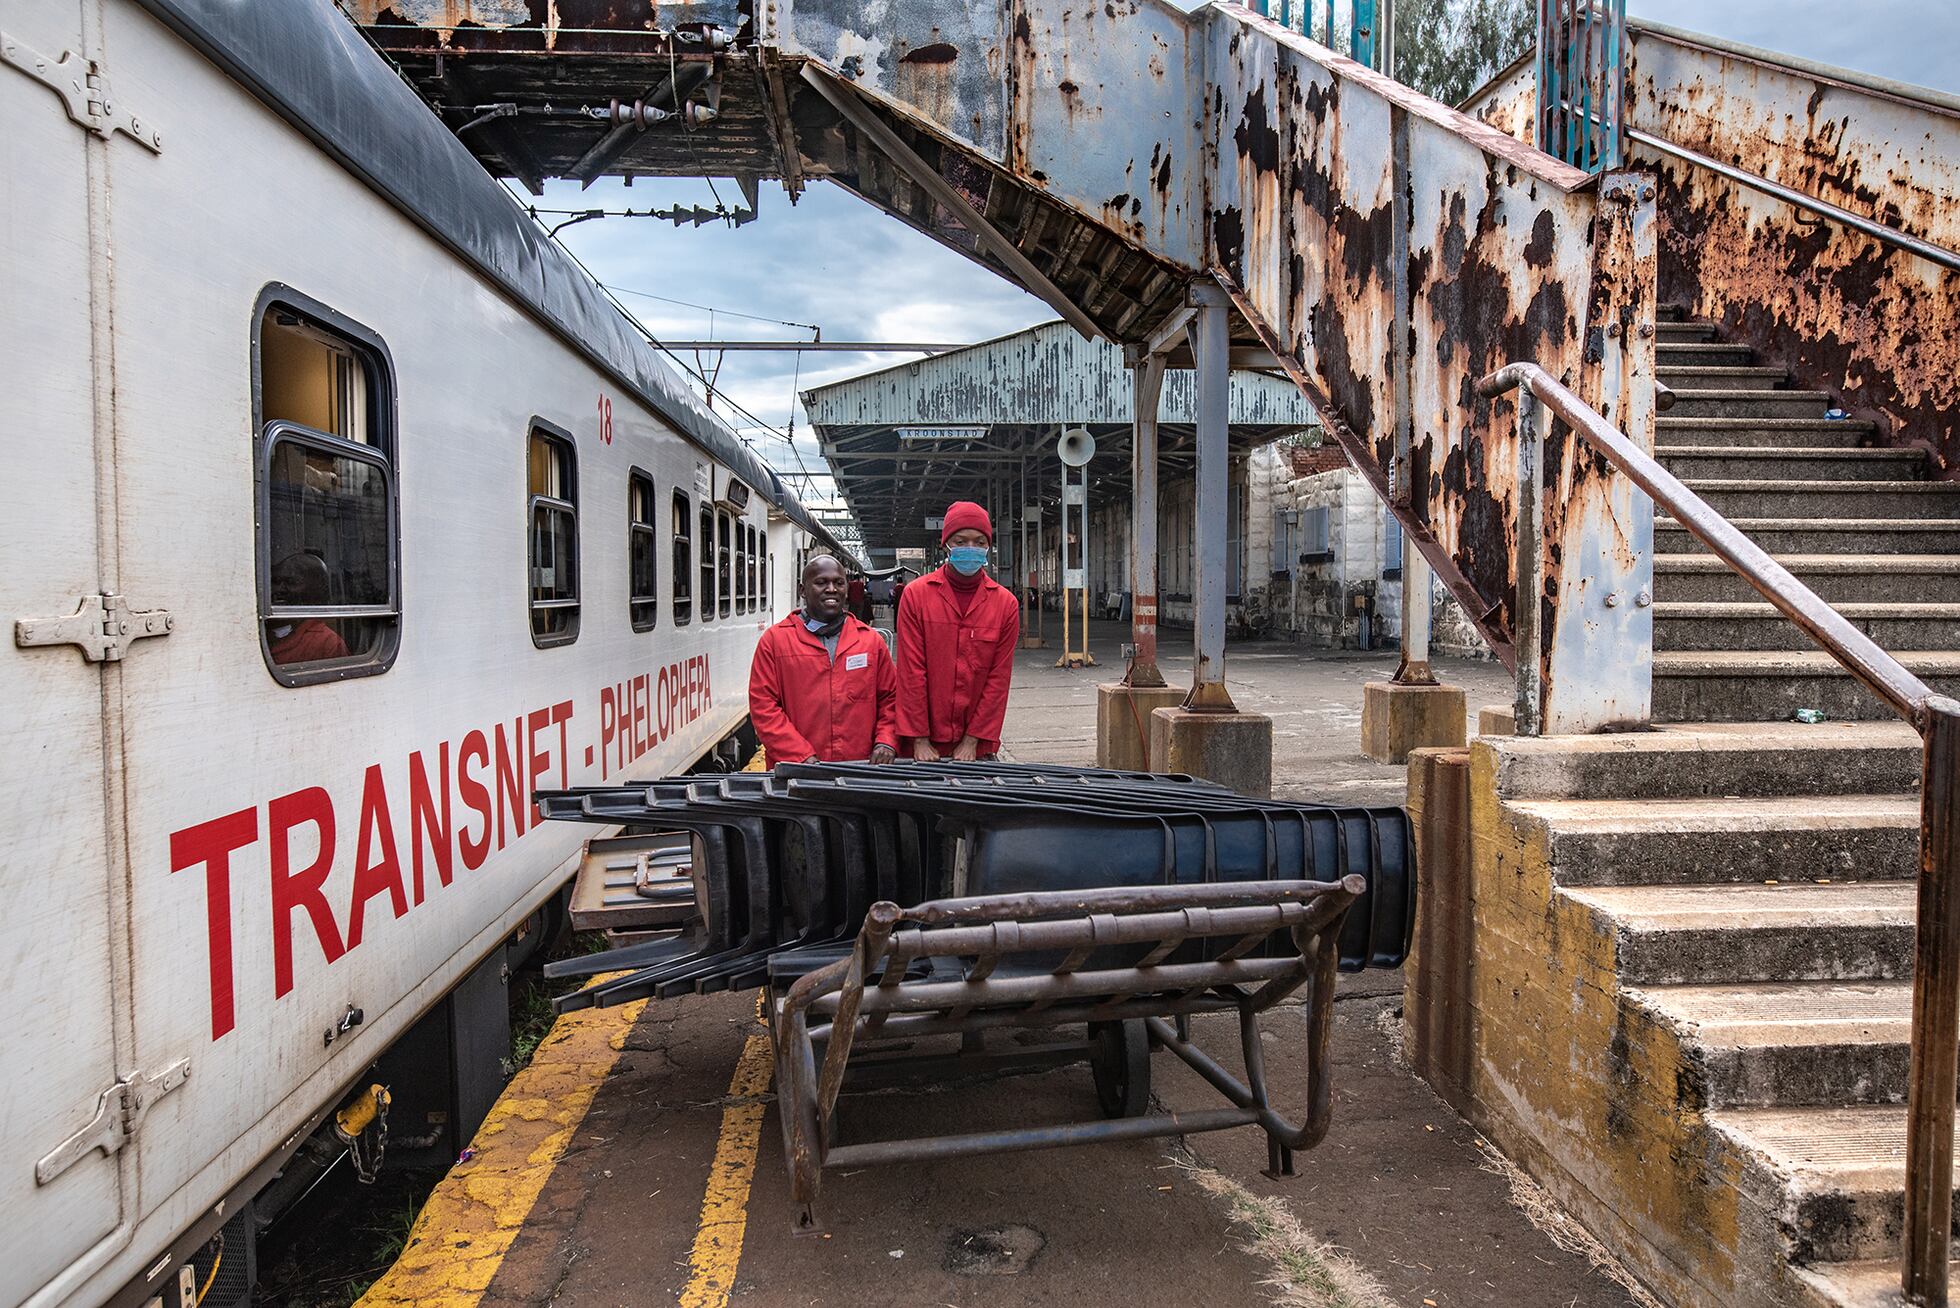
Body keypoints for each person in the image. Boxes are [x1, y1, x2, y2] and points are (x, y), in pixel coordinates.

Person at [895, 501, 1020, 761]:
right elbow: (911, 671)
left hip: (976, 746)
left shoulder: (1005, 604)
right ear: (946, 545)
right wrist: (919, 739)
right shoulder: (916, 596)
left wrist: (972, 741)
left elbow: (998, 680)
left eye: (979, 541)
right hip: (923, 744)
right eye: (961, 541)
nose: (970, 548)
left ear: (988, 546)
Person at [749, 554, 899, 767]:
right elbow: (763, 707)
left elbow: (891, 698)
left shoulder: (870, 642)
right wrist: (799, 755)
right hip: (796, 774)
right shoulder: (775, 642)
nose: (831, 589)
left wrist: (886, 741)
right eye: (821, 582)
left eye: (839, 583)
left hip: (861, 770)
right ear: (803, 590)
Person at [268, 551, 350, 665]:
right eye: (275, 582)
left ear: (314, 590)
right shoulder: (261, 627)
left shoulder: (327, 643)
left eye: (292, 582)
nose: (279, 589)